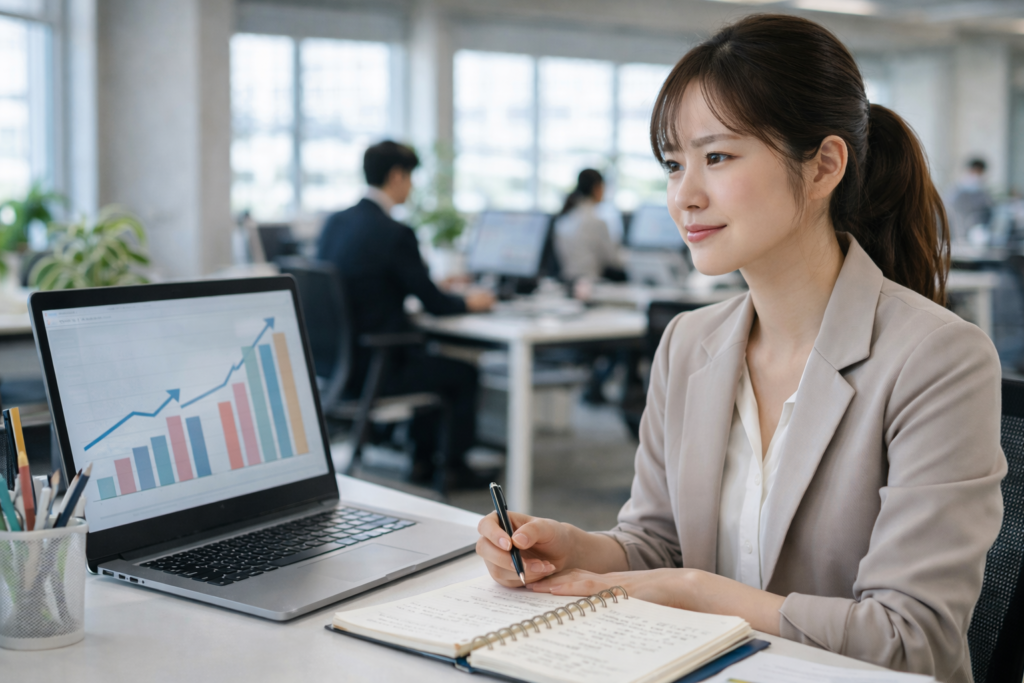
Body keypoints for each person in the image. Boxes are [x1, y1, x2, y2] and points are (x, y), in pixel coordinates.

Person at [476, 15, 1005, 682]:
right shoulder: (688, 343)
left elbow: (910, 640)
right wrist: (572, 545)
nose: (684, 196)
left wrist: (699, 593)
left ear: (824, 167)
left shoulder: (938, 359)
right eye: (673, 164)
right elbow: (656, 544)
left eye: (717, 157)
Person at [317, 140, 495, 488]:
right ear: (397, 176)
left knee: (428, 357)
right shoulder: (394, 232)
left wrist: (434, 284)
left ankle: (422, 464)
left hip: (334, 368)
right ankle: (453, 468)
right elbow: (436, 305)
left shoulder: (335, 223)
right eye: (411, 178)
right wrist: (471, 302)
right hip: (376, 370)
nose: (412, 187)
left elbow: (373, 281)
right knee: (462, 374)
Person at [553, 169, 626, 282]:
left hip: (566, 281)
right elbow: (613, 260)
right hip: (591, 284)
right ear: (597, 188)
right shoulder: (597, 221)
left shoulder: (565, 217)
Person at [948, 158, 994, 244]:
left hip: (976, 237)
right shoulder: (956, 191)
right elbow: (949, 213)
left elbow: (988, 213)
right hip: (956, 237)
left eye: (980, 173)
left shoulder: (983, 193)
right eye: (975, 172)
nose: (977, 176)